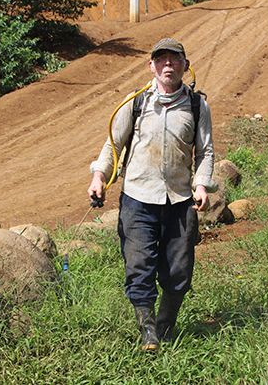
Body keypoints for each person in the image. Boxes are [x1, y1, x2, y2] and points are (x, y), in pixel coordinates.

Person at [87, 38, 215, 352]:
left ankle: (165, 328)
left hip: (179, 200)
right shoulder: (135, 102)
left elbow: (206, 152)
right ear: (152, 66)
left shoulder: (198, 105)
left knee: (178, 271)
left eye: (174, 59)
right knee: (139, 265)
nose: (168, 64)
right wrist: (99, 176)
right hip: (138, 198)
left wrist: (200, 184)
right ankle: (148, 332)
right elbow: (113, 146)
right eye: (161, 59)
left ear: (185, 65)